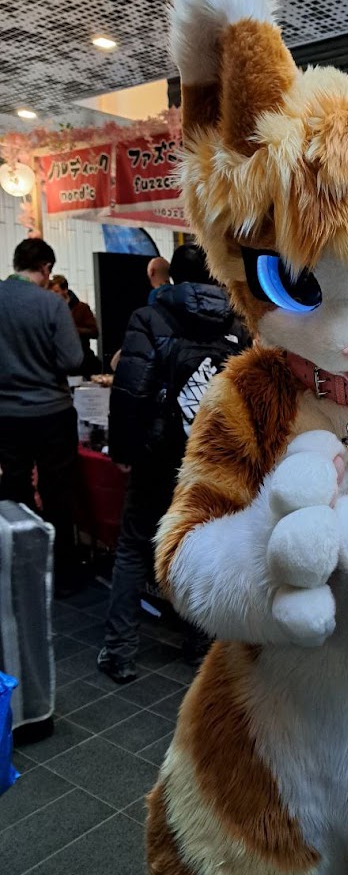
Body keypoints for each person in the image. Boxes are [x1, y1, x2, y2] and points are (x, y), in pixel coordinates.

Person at [98, 244, 248, 682]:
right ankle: (198, 644)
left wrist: (123, 451)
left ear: (172, 278)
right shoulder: (236, 325)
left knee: (133, 547)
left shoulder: (150, 318)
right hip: (209, 457)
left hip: (157, 454)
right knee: (197, 546)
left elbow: (131, 391)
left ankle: (120, 652)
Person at [0, 239, 84, 597]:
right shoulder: (51, 303)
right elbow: (72, 360)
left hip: (6, 415)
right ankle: (62, 574)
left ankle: (20, 568)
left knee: (14, 487)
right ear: (46, 268)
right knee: (58, 490)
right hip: (51, 411)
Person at [49, 273, 101, 377]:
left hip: (82, 360)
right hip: (58, 360)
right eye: (51, 292)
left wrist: (72, 330)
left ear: (65, 290)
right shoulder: (50, 309)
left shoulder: (82, 308)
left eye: (56, 291)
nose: (53, 295)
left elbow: (94, 332)